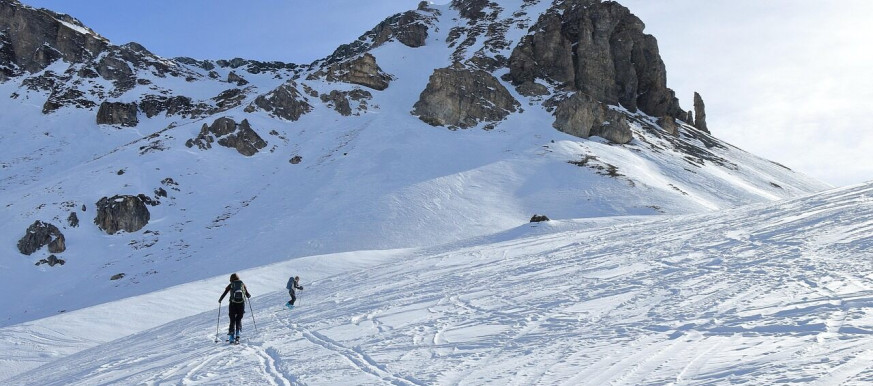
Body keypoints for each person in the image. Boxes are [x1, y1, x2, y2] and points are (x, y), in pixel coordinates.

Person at [219, 273, 251, 343]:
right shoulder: (242, 284)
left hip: (232, 304)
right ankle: (238, 335)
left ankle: (231, 337)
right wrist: (248, 295)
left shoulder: (231, 284)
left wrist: (220, 299)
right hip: (241, 304)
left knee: (232, 319)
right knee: (238, 319)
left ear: (231, 279)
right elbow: (247, 294)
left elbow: (225, 292)